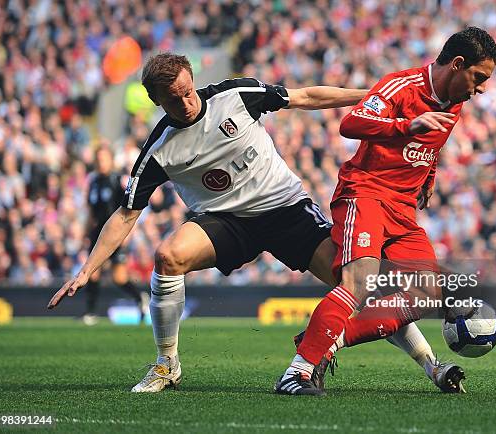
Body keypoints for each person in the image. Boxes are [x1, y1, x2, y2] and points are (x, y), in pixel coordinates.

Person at [47, 52, 367, 392]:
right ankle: (166, 364)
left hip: (284, 207)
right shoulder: (158, 151)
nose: (186, 102)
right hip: (227, 221)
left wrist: (369, 96)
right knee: (168, 256)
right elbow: (126, 215)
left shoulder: (235, 96)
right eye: (173, 99)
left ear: (192, 80)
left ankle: (428, 362)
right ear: (156, 101)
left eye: (188, 91)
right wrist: (87, 270)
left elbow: (304, 97)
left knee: (353, 282)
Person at [276, 27, 496, 396]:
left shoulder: (455, 103)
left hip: (402, 210)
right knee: (360, 283)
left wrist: (428, 176)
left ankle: (323, 340)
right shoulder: (401, 86)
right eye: (479, 78)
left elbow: (433, 143)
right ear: (458, 65)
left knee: (427, 294)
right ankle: (296, 372)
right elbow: (350, 124)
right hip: (364, 194)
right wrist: (404, 125)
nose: (481, 89)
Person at [81, 146, 149, 325]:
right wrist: (85, 232)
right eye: (99, 159)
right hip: (97, 233)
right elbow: (91, 211)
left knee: (119, 278)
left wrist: (127, 235)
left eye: (105, 159)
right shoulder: (94, 181)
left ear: (111, 160)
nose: (101, 163)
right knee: (91, 273)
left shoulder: (119, 180)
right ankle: (90, 312)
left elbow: (130, 210)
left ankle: (140, 298)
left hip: (115, 233)